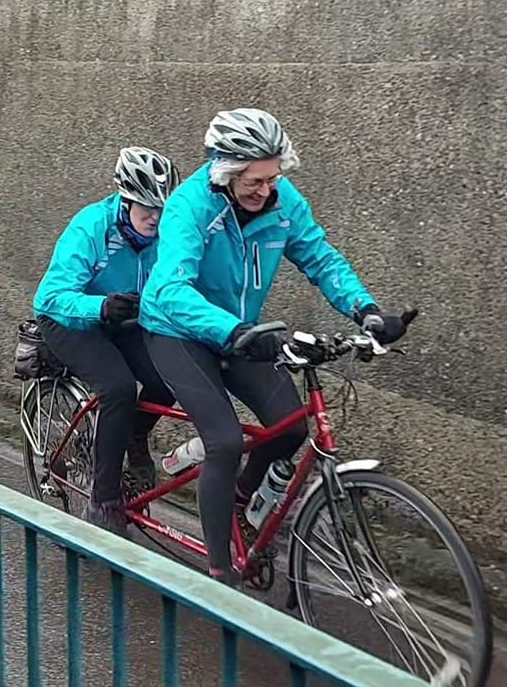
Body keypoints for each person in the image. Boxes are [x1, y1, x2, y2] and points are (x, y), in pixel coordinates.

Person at [138, 108, 410, 584]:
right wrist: (234, 331)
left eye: (273, 177)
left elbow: (320, 257)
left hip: (240, 331)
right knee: (224, 441)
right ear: (225, 173)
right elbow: (169, 289)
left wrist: (365, 310)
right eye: (254, 181)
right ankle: (219, 572)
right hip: (177, 331)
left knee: (289, 429)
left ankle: (240, 505)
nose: (266, 190)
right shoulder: (190, 207)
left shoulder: (283, 201)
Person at [33, 147, 181, 533]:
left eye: (162, 208)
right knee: (117, 388)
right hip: (70, 321)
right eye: (146, 207)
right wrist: (99, 306)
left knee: (170, 377)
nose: (155, 217)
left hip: (124, 319)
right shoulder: (91, 227)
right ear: (125, 199)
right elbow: (49, 296)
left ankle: (133, 433)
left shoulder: (163, 235)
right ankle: (104, 498)